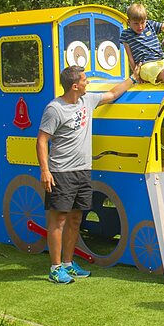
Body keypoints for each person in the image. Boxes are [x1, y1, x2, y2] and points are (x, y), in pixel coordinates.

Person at [37, 64, 134, 284]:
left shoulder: (86, 101)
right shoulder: (55, 109)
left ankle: (69, 264)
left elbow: (112, 94)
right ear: (74, 85)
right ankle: (55, 268)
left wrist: (133, 78)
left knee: (75, 219)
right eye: (84, 79)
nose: (87, 82)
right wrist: (45, 170)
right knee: (58, 219)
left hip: (83, 171)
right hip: (60, 172)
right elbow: (42, 140)